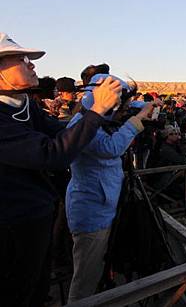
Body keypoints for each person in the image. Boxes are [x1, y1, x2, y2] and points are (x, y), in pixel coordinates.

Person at [0, 33, 122, 307]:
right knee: (17, 291)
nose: (31, 65)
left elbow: (64, 132)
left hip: (38, 215)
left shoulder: (25, 105)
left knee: (38, 287)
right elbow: (52, 153)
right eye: (20, 59)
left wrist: (102, 114)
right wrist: (96, 109)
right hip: (12, 224)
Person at [65, 74, 154, 303]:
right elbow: (111, 148)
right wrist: (138, 121)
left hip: (102, 206)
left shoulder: (93, 119)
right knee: (85, 281)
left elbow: (135, 106)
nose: (124, 111)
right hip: (92, 212)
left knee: (98, 268)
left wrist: (146, 105)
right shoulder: (82, 126)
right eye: (120, 106)